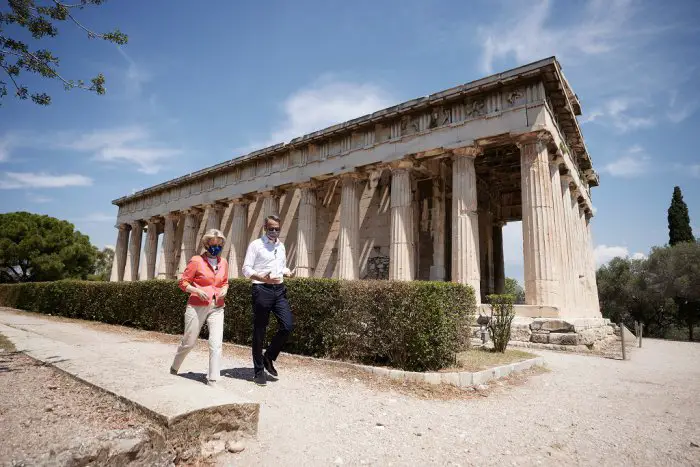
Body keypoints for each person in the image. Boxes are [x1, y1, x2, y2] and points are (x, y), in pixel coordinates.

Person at [170, 228, 229, 388]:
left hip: (217, 306)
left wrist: (225, 289)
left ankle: (213, 379)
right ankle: (174, 367)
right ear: (206, 244)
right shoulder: (196, 260)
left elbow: (224, 281)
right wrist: (196, 290)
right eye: (213, 244)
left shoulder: (223, 262)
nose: (216, 247)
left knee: (216, 343)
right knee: (189, 342)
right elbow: (183, 282)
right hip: (197, 305)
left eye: (219, 245)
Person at [242, 215, 295, 386]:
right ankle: (258, 371)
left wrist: (287, 271)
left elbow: (280, 266)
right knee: (260, 331)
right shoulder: (256, 245)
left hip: (279, 290)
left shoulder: (281, 246)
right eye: (271, 228)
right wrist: (261, 278)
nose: (274, 231)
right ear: (265, 228)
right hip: (261, 289)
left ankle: (268, 357)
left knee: (287, 326)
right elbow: (246, 269)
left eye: (277, 228)